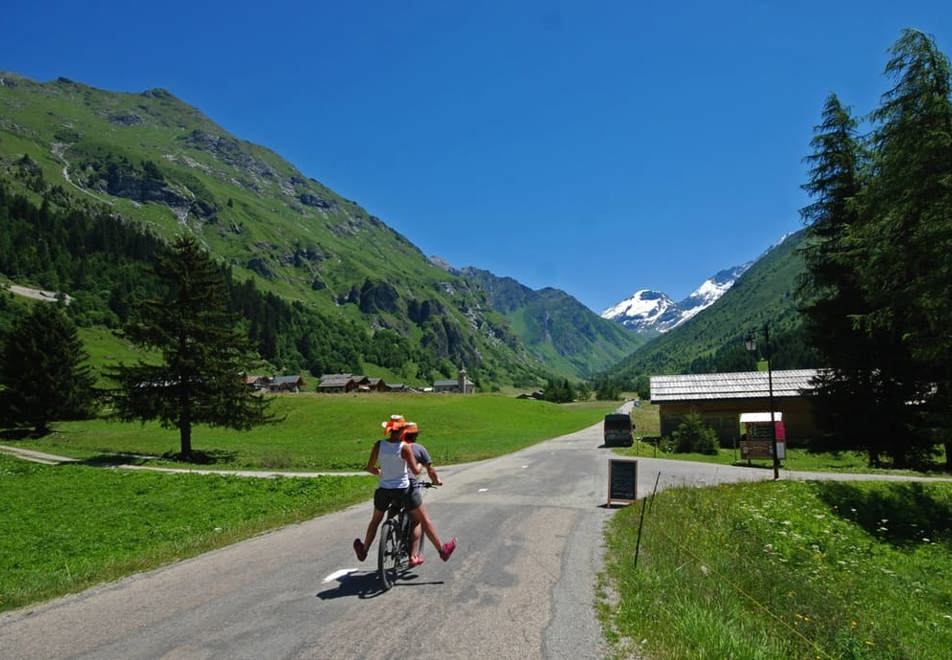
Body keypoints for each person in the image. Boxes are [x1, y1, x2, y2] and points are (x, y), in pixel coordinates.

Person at [353, 415, 457, 564]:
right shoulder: (404, 447)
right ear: (403, 430)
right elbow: (415, 471)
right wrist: (420, 465)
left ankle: (364, 550)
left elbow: (370, 468)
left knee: (375, 520)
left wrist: (382, 473)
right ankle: (442, 550)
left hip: (384, 490)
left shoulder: (379, 445)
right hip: (403, 490)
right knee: (423, 520)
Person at [401, 421, 444, 567]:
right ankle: (413, 554)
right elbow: (430, 470)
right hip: (409, 487)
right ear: (415, 435)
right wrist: (436, 480)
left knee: (393, 508)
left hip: (390, 487)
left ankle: (391, 531)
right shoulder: (419, 449)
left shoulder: (395, 447)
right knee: (417, 520)